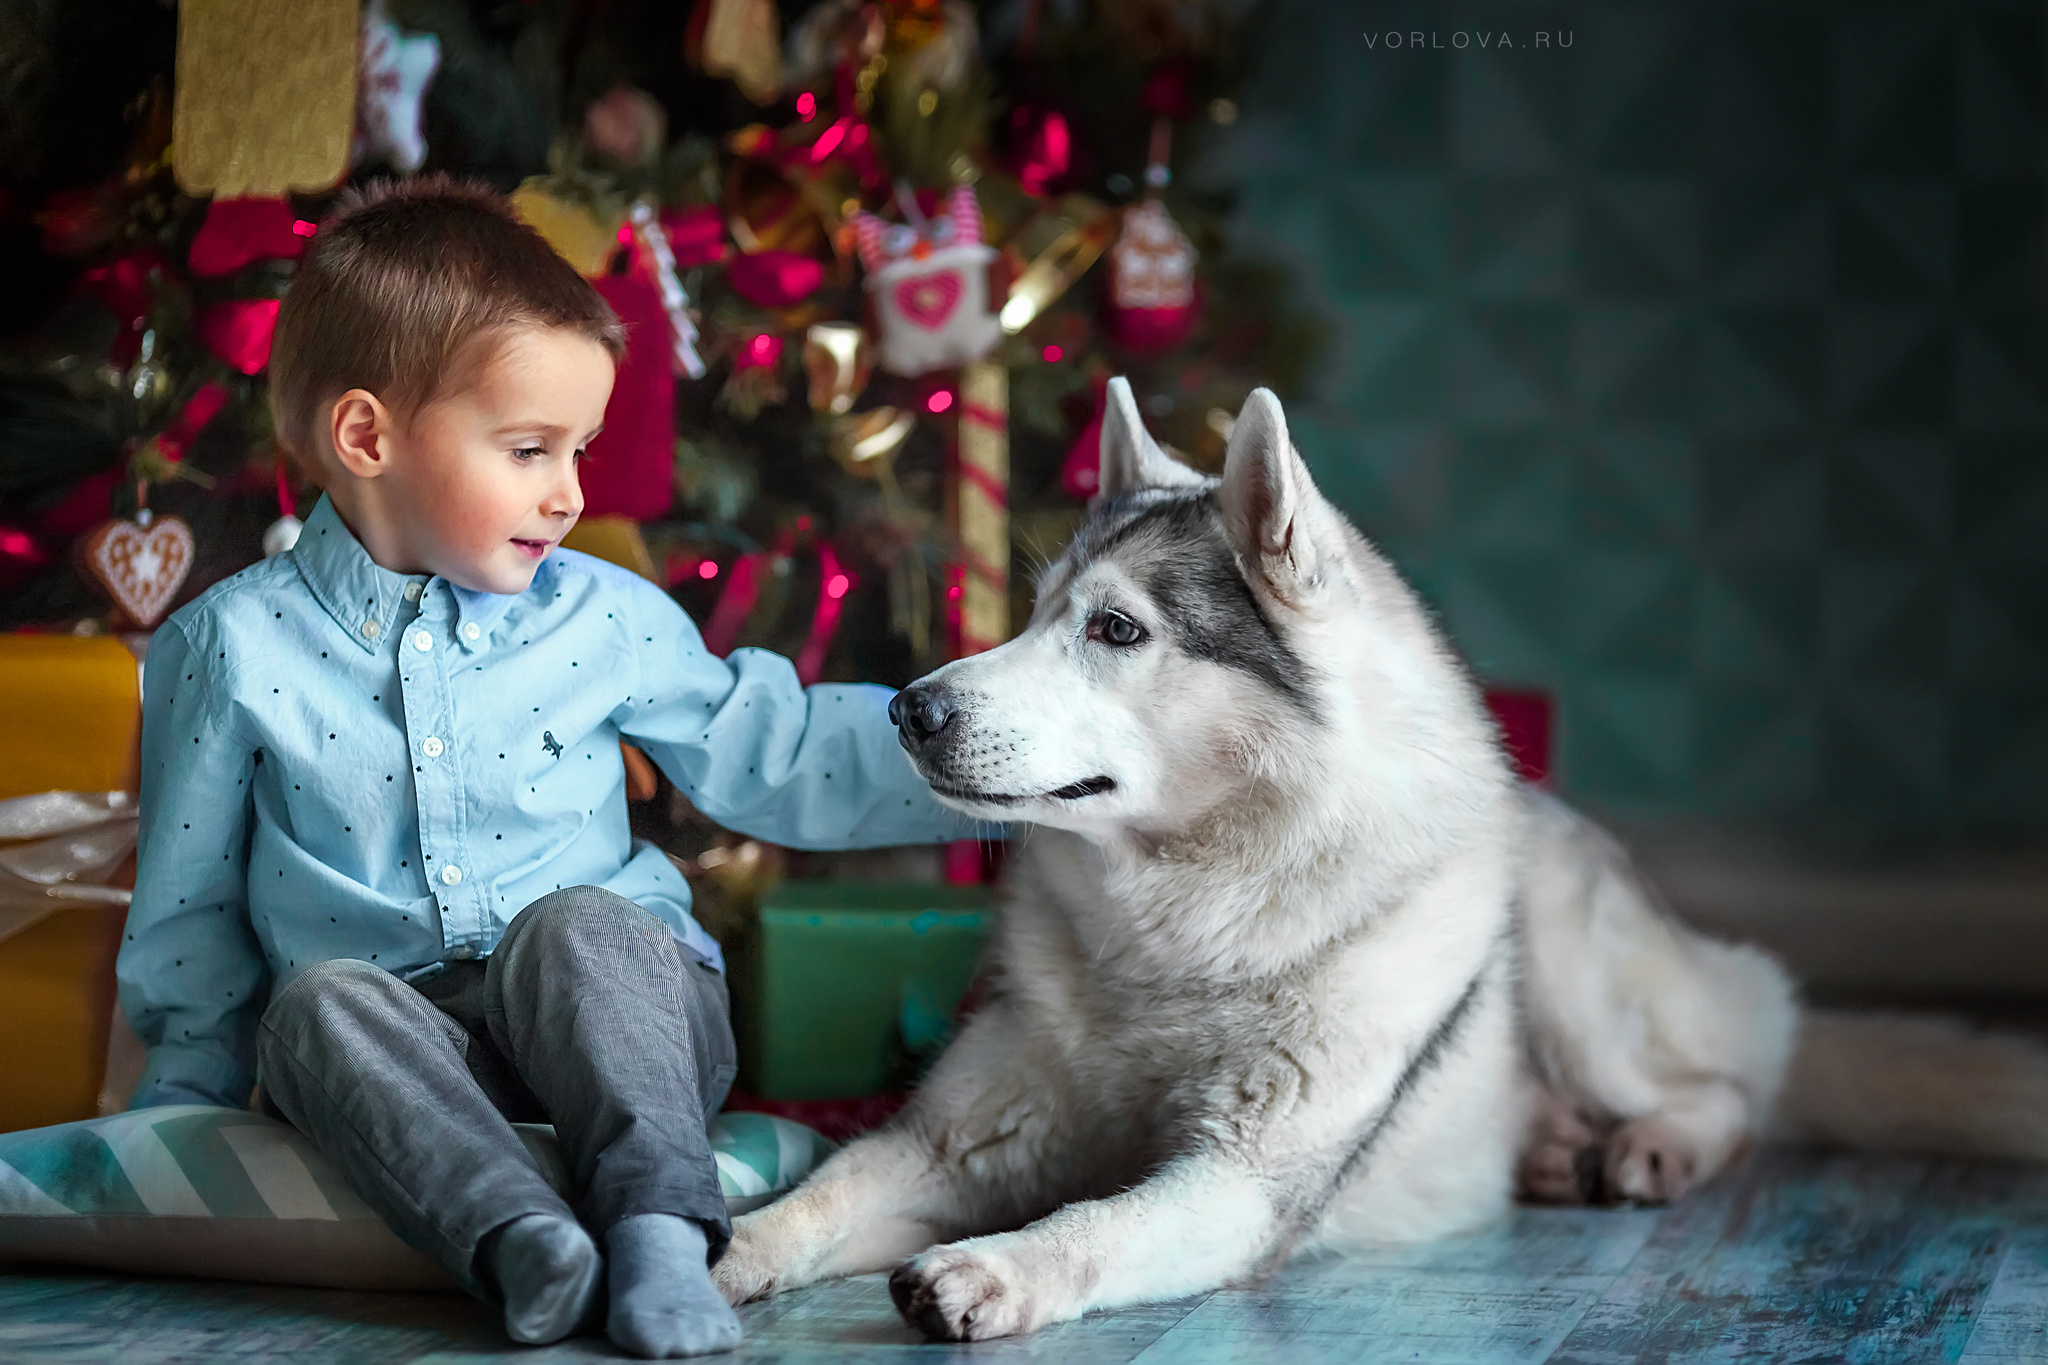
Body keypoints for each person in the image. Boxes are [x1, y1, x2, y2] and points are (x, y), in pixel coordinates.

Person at [116, 176, 986, 1358]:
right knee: (313, 1006)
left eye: (578, 450)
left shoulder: (603, 618)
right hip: (409, 1065)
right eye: (530, 450)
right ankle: (519, 1237)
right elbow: (192, 903)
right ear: (367, 438)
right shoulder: (229, 649)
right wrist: (181, 1104)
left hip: (625, 1018)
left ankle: (660, 1236)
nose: (570, 495)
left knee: (576, 924)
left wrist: (996, 766)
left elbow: (773, 749)